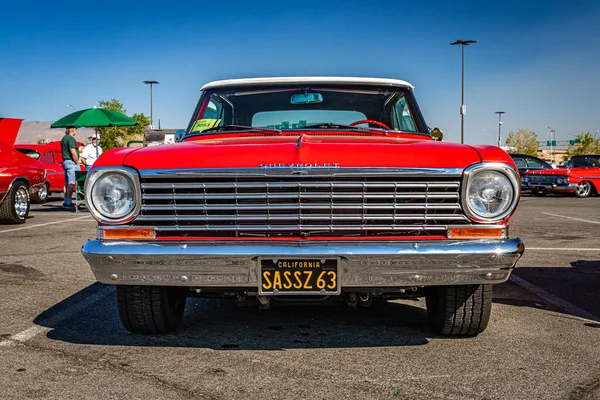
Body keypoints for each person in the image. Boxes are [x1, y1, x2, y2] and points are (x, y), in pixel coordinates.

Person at [61, 127, 80, 208]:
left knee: (66, 183)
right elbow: (73, 152)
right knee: (71, 183)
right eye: (75, 129)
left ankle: (66, 200)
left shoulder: (64, 138)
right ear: (72, 130)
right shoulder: (71, 139)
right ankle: (69, 202)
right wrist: (76, 161)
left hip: (65, 162)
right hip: (71, 162)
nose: (75, 131)